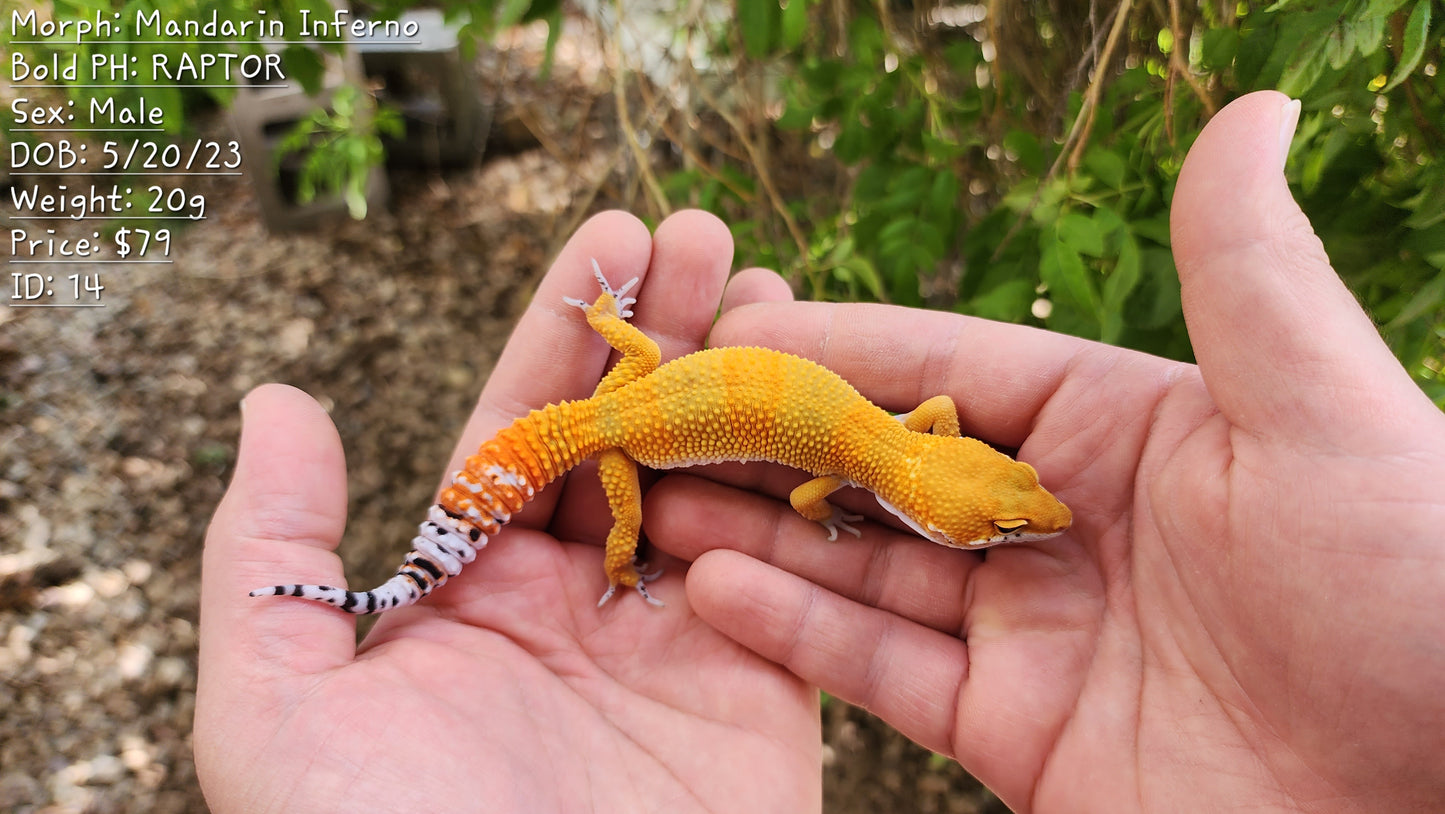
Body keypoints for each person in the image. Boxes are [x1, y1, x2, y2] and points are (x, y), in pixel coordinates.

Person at [194, 90, 1445, 812]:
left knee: (633, 402)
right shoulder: (862, 462)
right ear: (933, 515)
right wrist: (628, 559)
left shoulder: (887, 450)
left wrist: (617, 336)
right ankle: (422, 580)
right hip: (613, 435)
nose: (1030, 514)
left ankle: (471, 512)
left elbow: (893, 455)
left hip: (638, 381)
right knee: (617, 534)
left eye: (1010, 508)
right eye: (1011, 519)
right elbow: (817, 484)